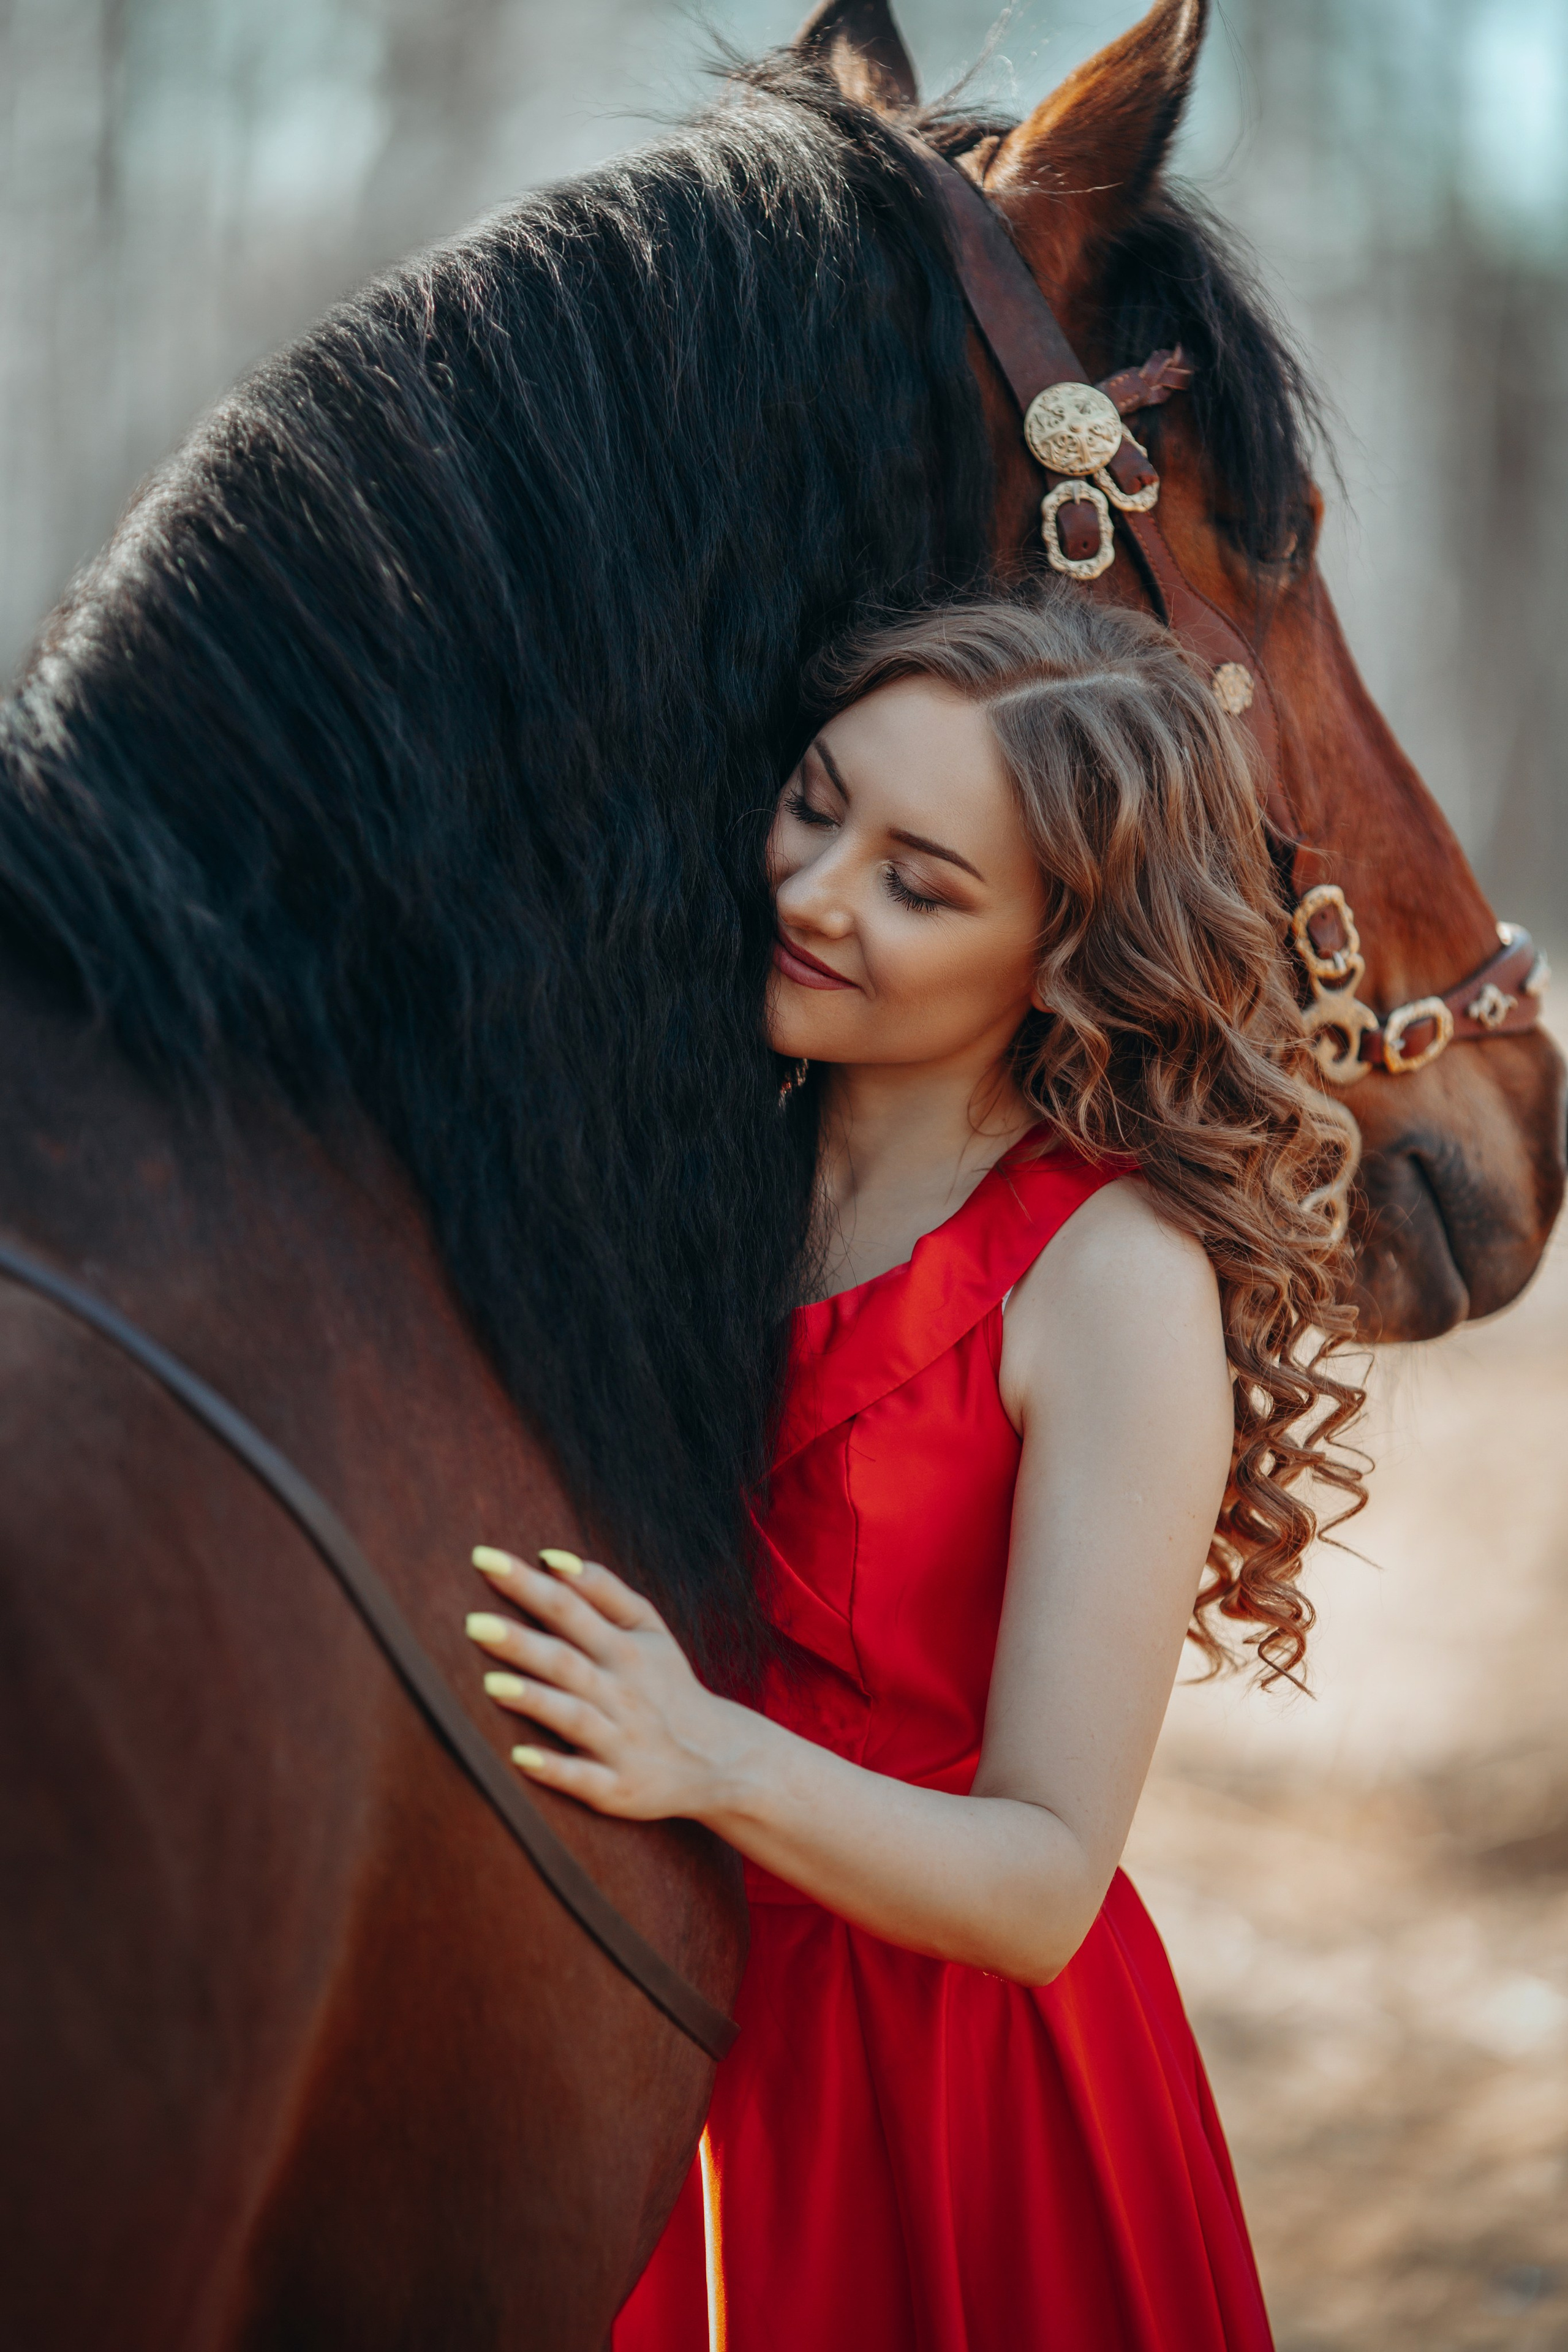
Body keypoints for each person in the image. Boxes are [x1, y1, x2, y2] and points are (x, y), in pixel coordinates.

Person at [464, 586, 1364, 2350]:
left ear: (1058, 951)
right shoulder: (705, 1168)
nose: (809, 892)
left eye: (918, 883)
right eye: (816, 802)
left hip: (960, 2100)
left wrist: (698, 1749)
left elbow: (1044, 1886)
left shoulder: (1112, 1282)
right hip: (654, 2033)